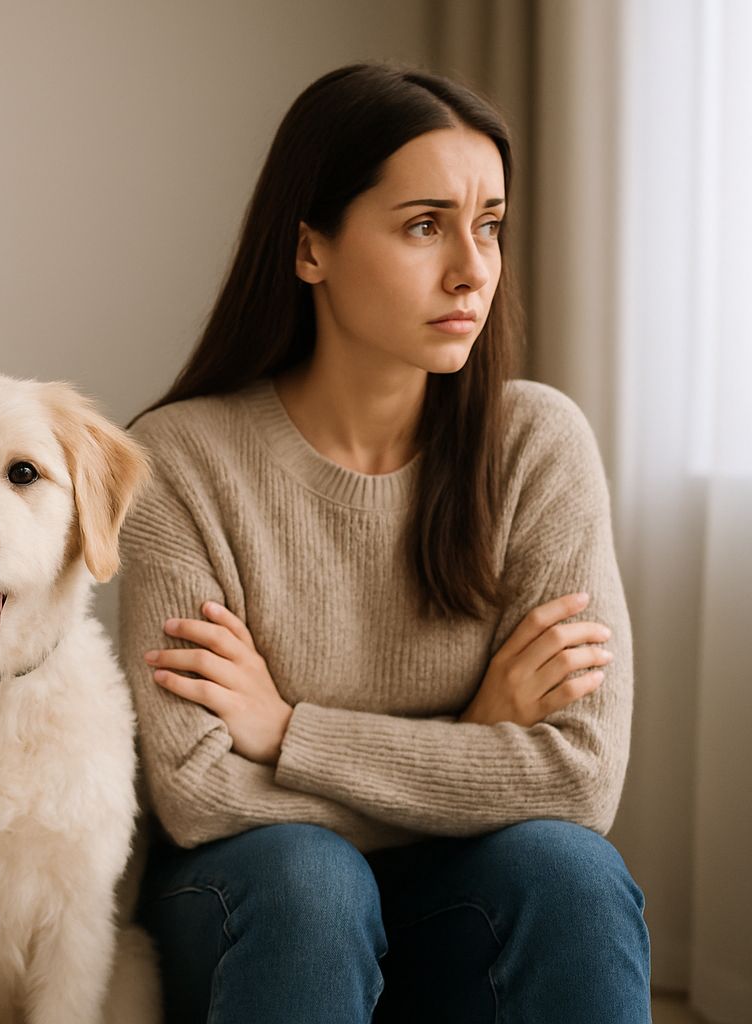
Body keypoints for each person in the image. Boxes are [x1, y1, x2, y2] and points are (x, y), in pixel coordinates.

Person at [118, 63, 650, 1023]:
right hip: (255, 901)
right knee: (313, 879)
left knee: (570, 871)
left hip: (456, 898)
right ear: (310, 249)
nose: (472, 268)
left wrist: (291, 734)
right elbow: (198, 791)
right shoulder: (181, 461)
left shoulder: (538, 445)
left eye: (489, 224)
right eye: (424, 226)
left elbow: (578, 777)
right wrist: (478, 750)